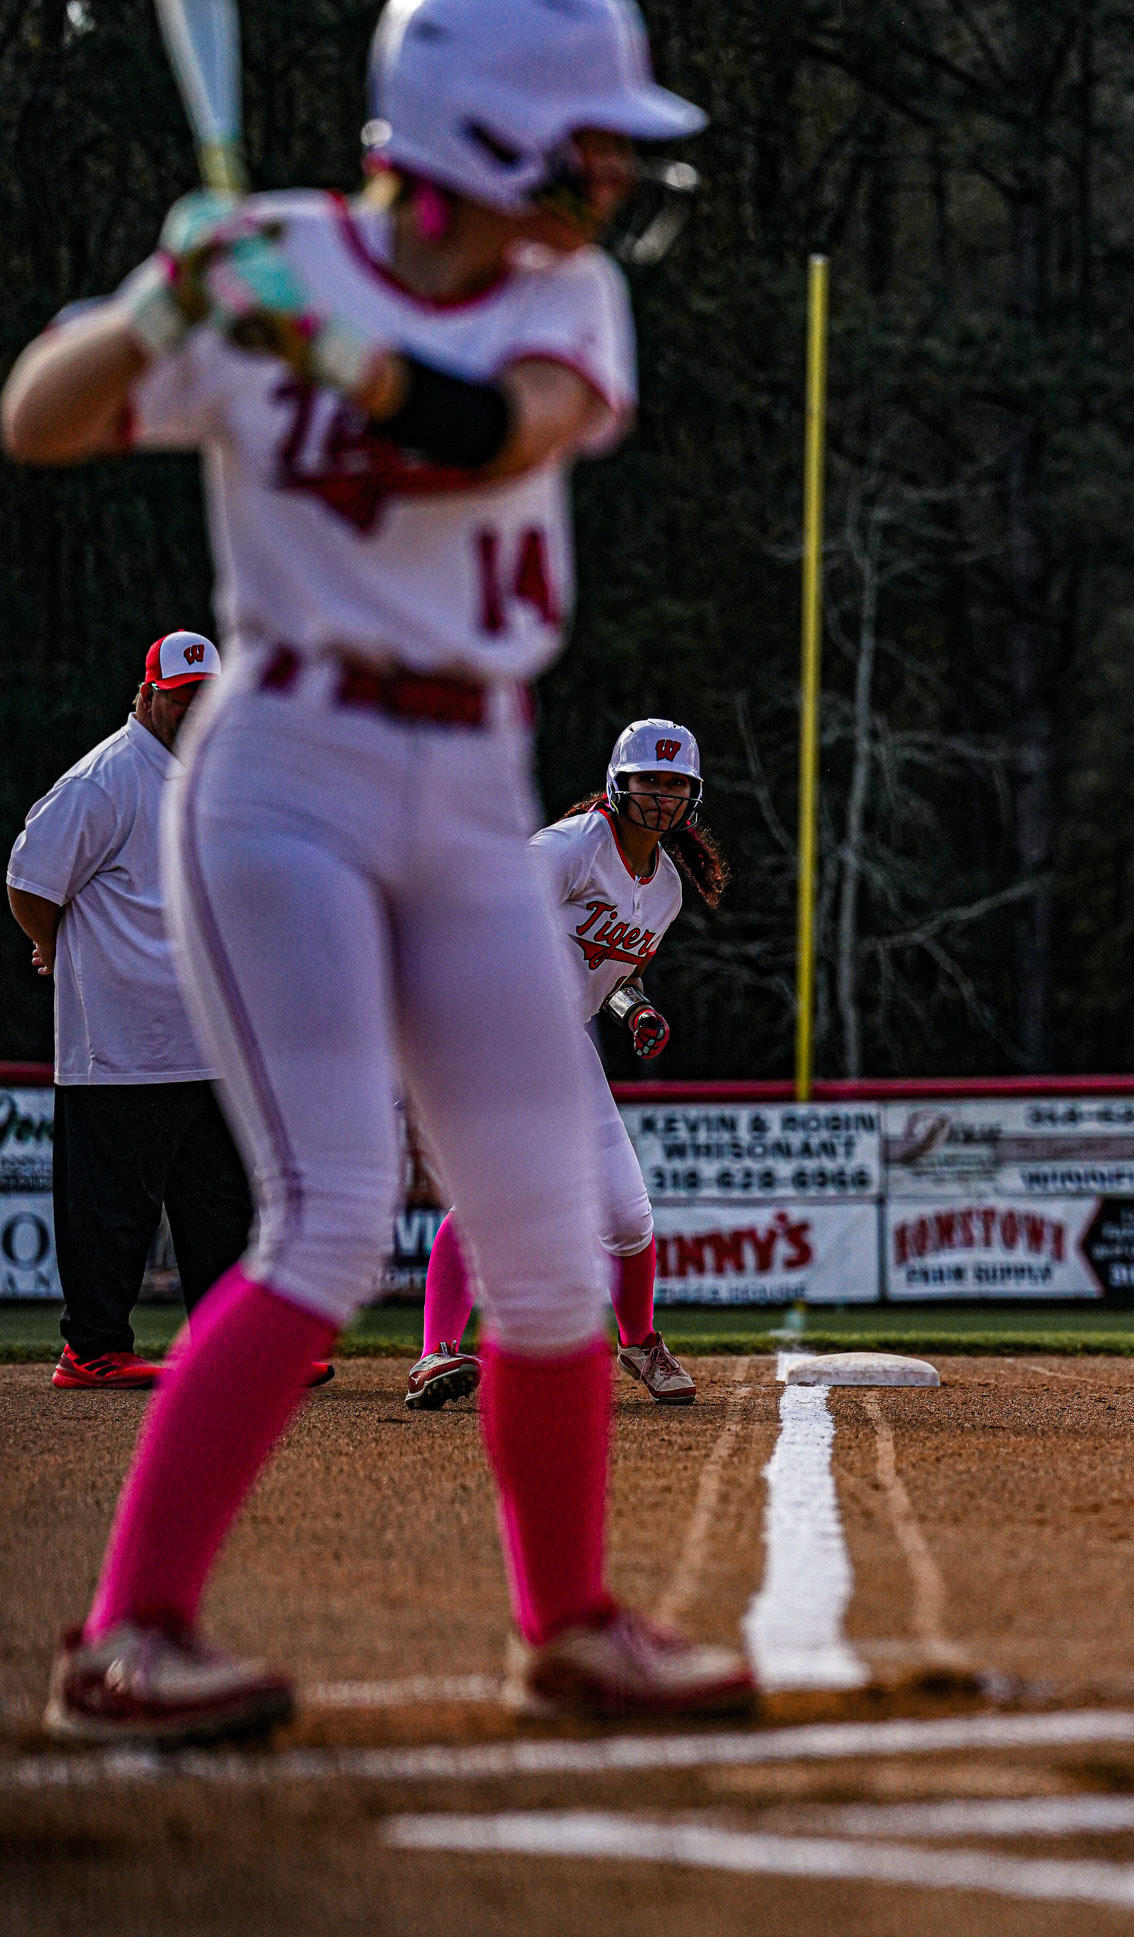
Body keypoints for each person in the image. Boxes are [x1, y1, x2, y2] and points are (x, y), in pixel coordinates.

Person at [3, 0, 754, 1741]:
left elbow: (494, 431)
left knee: (547, 1236)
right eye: (586, 141)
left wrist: (318, 344)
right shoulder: (270, 265)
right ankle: (131, 1634)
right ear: (481, 135)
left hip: (469, 777)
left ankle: (568, 1624)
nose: (611, 174)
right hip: (285, 776)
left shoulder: (560, 294)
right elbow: (38, 418)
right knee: (334, 1213)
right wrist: (162, 306)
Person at [408, 718, 727, 1411]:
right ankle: (436, 1351)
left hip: (562, 1043)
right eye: (649, 781)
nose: (661, 796)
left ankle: (639, 1343)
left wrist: (634, 1010)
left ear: (693, 796)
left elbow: (613, 975)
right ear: (617, 783)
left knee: (628, 1216)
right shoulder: (570, 848)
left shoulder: (667, 889)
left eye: (675, 784)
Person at [6, 633, 255, 1390]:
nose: (193, 709)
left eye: (205, 697)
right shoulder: (104, 778)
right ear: (146, 695)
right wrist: (56, 949)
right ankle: (92, 1348)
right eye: (180, 696)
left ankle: (228, 1348)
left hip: (206, 1038)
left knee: (220, 1207)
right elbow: (29, 881)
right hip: (120, 1042)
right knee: (112, 1211)